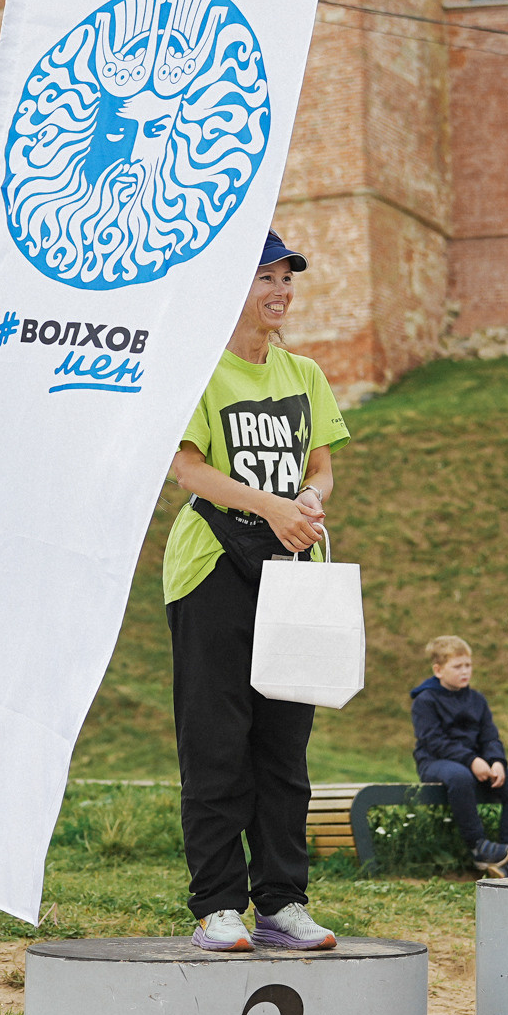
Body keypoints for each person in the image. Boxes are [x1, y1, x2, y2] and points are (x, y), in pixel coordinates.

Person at [162, 231, 350, 953]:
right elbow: (187, 469)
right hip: (212, 564)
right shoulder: (200, 371)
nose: (280, 291)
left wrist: (306, 498)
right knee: (216, 742)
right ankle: (217, 905)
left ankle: (282, 901)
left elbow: (322, 465)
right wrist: (269, 506)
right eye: (265, 277)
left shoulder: (303, 373)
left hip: (290, 573)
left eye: (287, 279)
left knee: (283, 745)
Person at [410, 636, 508, 878]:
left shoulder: (477, 700)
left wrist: (497, 761)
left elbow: (490, 737)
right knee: (460, 777)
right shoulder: (425, 701)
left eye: (468, 665)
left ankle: (507, 861)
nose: (465, 672)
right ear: (438, 670)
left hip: (476, 762)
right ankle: (479, 847)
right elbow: (434, 741)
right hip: (435, 762)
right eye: (457, 667)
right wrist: (471, 760)